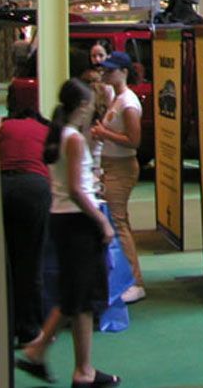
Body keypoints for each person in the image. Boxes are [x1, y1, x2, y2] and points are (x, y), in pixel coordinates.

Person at [16, 79, 120, 387]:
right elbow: (76, 189)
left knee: (77, 296)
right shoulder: (73, 138)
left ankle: (66, 362)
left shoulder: (59, 134)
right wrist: (101, 222)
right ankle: (62, 361)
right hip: (77, 221)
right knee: (79, 297)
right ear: (84, 106)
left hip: (62, 219)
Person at [91, 51, 146, 304]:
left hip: (122, 167)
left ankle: (136, 281)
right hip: (111, 166)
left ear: (124, 72)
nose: (106, 73)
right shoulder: (117, 98)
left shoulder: (129, 103)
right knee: (118, 221)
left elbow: (134, 141)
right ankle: (124, 277)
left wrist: (104, 133)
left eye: (111, 70)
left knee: (119, 223)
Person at [0, 94, 51, 347]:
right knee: (31, 261)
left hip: (3, 186)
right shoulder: (45, 129)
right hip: (34, 188)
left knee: (6, 261)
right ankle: (30, 330)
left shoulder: (5, 127)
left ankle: (5, 326)